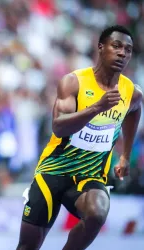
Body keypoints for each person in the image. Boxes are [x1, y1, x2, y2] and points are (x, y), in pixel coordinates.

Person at [17, 25, 142, 250]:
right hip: (53, 172)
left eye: (128, 49)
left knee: (97, 213)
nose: (123, 53)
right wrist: (96, 108)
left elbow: (134, 111)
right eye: (117, 46)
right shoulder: (74, 82)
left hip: (90, 176)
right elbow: (58, 127)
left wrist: (124, 156)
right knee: (27, 246)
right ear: (101, 48)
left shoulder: (131, 92)